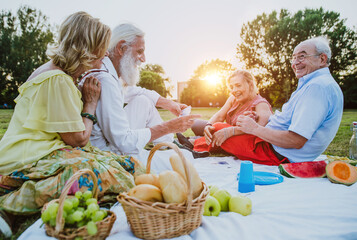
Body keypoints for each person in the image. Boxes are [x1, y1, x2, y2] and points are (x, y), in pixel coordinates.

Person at [0, 12, 145, 238]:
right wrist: (91, 103)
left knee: (122, 164)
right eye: (100, 53)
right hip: (28, 156)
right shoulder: (57, 80)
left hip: (43, 151)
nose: (103, 58)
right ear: (86, 52)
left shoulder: (53, 73)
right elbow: (78, 139)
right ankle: (8, 206)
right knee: (94, 173)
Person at [207, 36, 343, 165]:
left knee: (217, 128)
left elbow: (296, 140)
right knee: (217, 128)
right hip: (271, 143)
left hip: (273, 152)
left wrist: (254, 128)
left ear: (322, 59)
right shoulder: (317, 84)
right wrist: (253, 123)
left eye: (302, 56)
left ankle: (195, 143)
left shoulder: (317, 87)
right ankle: (197, 142)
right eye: (293, 58)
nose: (295, 63)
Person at [79, 23, 199, 158]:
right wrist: (169, 127)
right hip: (109, 155)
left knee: (143, 101)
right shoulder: (105, 79)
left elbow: (136, 91)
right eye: (140, 51)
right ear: (121, 48)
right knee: (186, 160)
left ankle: (169, 145)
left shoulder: (108, 72)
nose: (144, 59)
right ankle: (172, 149)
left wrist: (169, 103)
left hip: (114, 145)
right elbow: (123, 141)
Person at [177, 70, 273, 158]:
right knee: (196, 124)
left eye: (238, 85)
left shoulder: (261, 104)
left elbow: (260, 129)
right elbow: (219, 115)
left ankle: (193, 142)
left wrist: (231, 131)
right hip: (225, 131)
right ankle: (201, 137)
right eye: (231, 87)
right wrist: (208, 126)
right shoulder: (233, 99)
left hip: (242, 139)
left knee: (218, 127)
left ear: (250, 85)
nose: (234, 90)